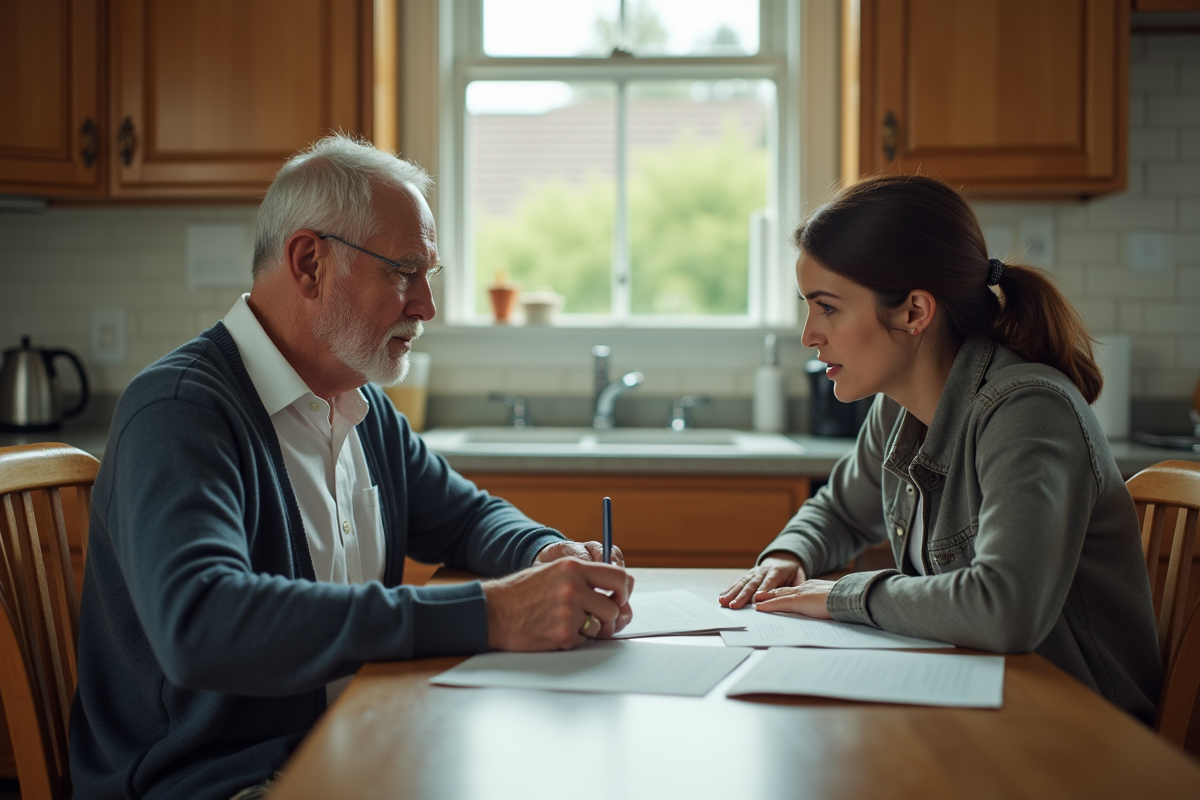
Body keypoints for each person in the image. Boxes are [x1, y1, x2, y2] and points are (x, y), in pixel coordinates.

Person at [69, 134, 634, 800]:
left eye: (430, 274)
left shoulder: (355, 403)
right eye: (402, 271)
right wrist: (492, 613)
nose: (426, 304)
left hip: (353, 742)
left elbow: (465, 517)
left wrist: (545, 552)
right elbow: (201, 623)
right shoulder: (179, 412)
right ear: (309, 263)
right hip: (213, 782)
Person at [719, 174, 1161, 722]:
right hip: (985, 702)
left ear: (914, 312)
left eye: (827, 307)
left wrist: (842, 596)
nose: (809, 334)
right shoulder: (899, 406)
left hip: (1080, 731)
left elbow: (1005, 608)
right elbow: (839, 510)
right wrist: (791, 556)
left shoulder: (1027, 412)